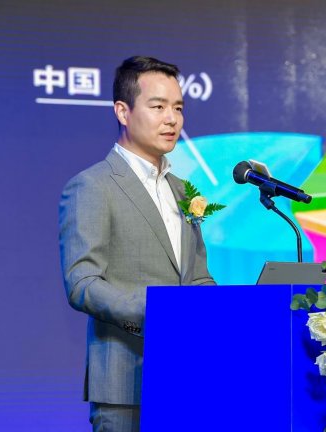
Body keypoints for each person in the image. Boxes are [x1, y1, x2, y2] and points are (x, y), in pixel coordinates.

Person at [59, 56, 216, 432]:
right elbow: (82, 284)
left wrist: (219, 310)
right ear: (123, 111)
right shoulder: (93, 186)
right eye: (158, 107)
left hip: (187, 375)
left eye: (178, 108)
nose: (172, 119)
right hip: (126, 381)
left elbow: (196, 277)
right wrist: (159, 308)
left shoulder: (184, 191)